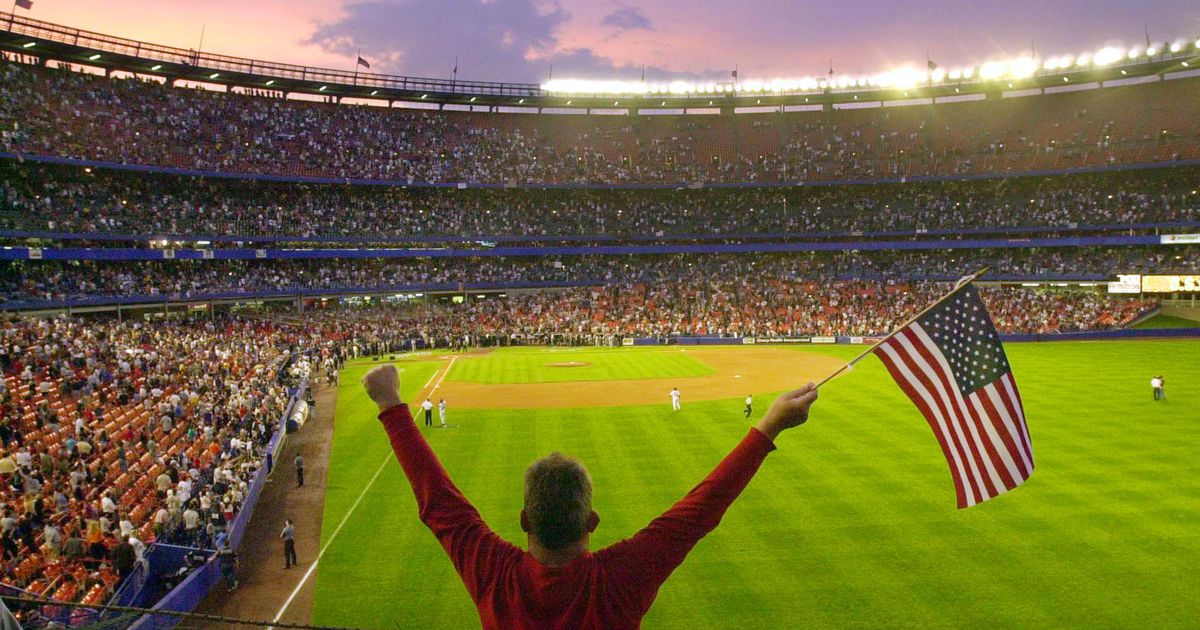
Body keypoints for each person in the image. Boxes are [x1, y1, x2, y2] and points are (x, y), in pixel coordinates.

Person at [361, 364, 818, 629]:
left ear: (525, 519)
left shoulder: (495, 575)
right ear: (591, 521)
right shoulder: (620, 579)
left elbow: (441, 507)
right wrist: (769, 425)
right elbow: (700, 510)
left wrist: (391, 405)